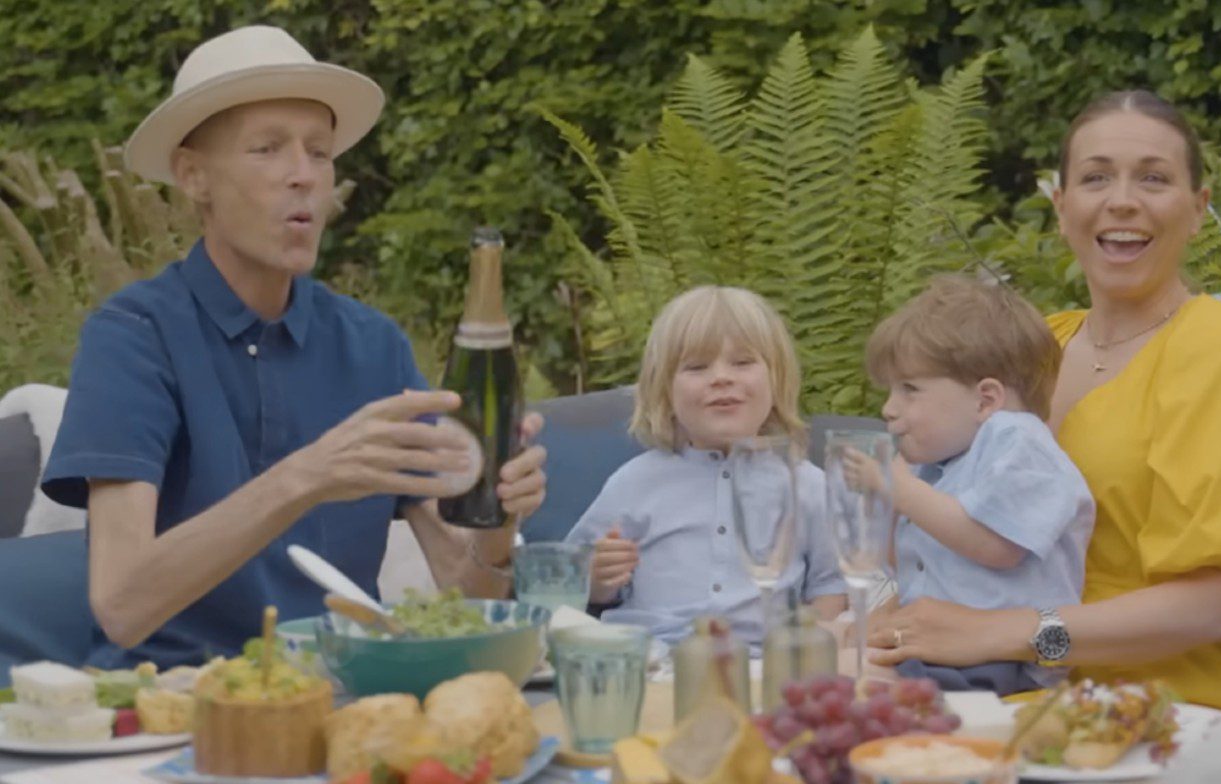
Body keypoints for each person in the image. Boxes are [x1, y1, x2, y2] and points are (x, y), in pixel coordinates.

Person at [40, 25, 547, 669]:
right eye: (268, 149)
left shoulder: (373, 345)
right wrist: (308, 476)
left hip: (349, 696)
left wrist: (500, 521)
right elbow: (121, 602)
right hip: (178, 713)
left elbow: (466, 588)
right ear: (194, 176)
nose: (304, 177)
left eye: (319, 151)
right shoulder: (134, 336)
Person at [869, 90, 1221, 710]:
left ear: (1197, 208)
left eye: (1154, 178)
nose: (1122, 200)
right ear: (1062, 206)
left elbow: (1215, 608)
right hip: (986, 689)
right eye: (1096, 177)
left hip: (1172, 703)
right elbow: (947, 538)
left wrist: (1012, 634)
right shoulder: (1028, 347)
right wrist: (881, 626)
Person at [564, 286, 846, 646]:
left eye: (742, 363)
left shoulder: (805, 484)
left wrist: (805, 646)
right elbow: (568, 579)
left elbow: (831, 583)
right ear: (665, 391)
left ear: (777, 379)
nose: (721, 377)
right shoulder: (635, 482)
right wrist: (599, 581)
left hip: (763, 662)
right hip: (652, 658)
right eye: (697, 367)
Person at [858, 275, 1094, 694]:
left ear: (986, 400)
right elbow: (902, 563)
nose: (889, 409)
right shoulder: (943, 462)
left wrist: (901, 489)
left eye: (910, 390)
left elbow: (996, 547)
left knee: (840, 677)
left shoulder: (1019, 441)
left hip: (1004, 660)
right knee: (828, 656)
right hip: (944, 651)